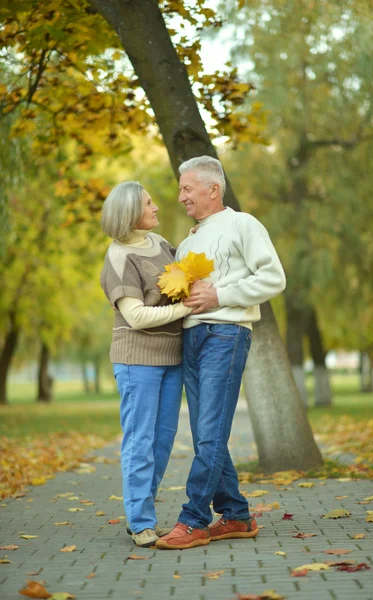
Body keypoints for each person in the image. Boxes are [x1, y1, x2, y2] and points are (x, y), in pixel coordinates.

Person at [156, 156, 286, 550]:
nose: (180, 197)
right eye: (180, 189)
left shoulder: (243, 224)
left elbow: (273, 277)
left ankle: (194, 519)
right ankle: (236, 516)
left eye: (187, 188)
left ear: (213, 189)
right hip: (192, 338)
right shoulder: (191, 238)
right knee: (205, 435)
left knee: (210, 433)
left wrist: (220, 294)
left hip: (226, 335)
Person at [100, 181, 192, 547]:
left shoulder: (161, 245)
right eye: (148, 203)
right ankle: (140, 522)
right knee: (140, 440)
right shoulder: (118, 257)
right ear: (130, 214)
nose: (156, 208)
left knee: (163, 440)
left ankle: (143, 510)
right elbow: (135, 316)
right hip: (137, 359)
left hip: (172, 355)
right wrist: (186, 308)